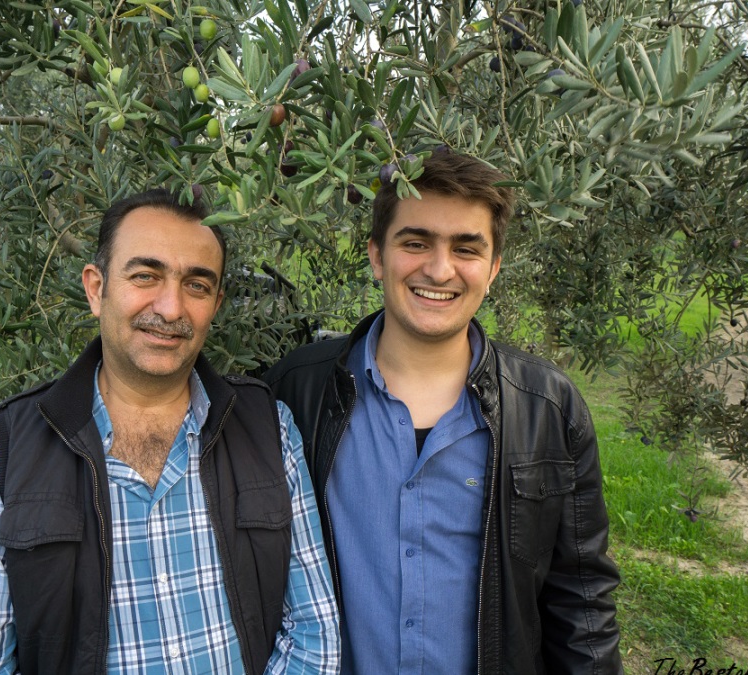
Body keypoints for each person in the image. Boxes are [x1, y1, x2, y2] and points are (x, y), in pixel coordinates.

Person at [0, 189, 340, 674]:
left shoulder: (269, 428)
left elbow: (315, 631)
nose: (170, 308)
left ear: (216, 303)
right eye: (146, 276)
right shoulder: (3, 453)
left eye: (197, 286)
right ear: (96, 288)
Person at [263, 152, 623, 674]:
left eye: (466, 248)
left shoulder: (548, 408)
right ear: (377, 256)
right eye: (415, 242)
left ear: (494, 267)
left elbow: (582, 601)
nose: (439, 269)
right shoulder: (296, 391)